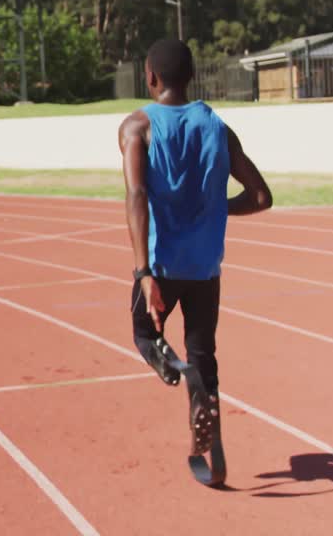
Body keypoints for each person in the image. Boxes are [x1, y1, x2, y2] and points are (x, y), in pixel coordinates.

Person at [117, 38, 273, 456]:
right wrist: (215, 209)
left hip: (162, 266)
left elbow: (136, 195)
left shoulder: (138, 127)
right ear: (191, 77)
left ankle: (173, 365)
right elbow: (261, 197)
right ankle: (208, 435)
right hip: (205, 268)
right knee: (205, 353)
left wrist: (142, 273)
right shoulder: (218, 129)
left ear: (150, 77)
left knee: (144, 334)